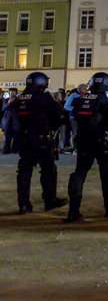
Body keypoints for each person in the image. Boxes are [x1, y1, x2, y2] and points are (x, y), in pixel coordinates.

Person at [66, 72, 108, 222]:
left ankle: (73, 211)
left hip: (83, 140)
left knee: (79, 174)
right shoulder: (105, 100)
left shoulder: (81, 98)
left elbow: (74, 117)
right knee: (106, 175)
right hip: (98, 140)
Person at [13, 72, 68, 214]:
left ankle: (23, 204)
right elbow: (58, 114)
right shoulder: (43, 97)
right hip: (41, 139)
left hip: (24, 139)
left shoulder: (19, 99)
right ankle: (49, 200)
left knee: (24, 173)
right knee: (49, 170)